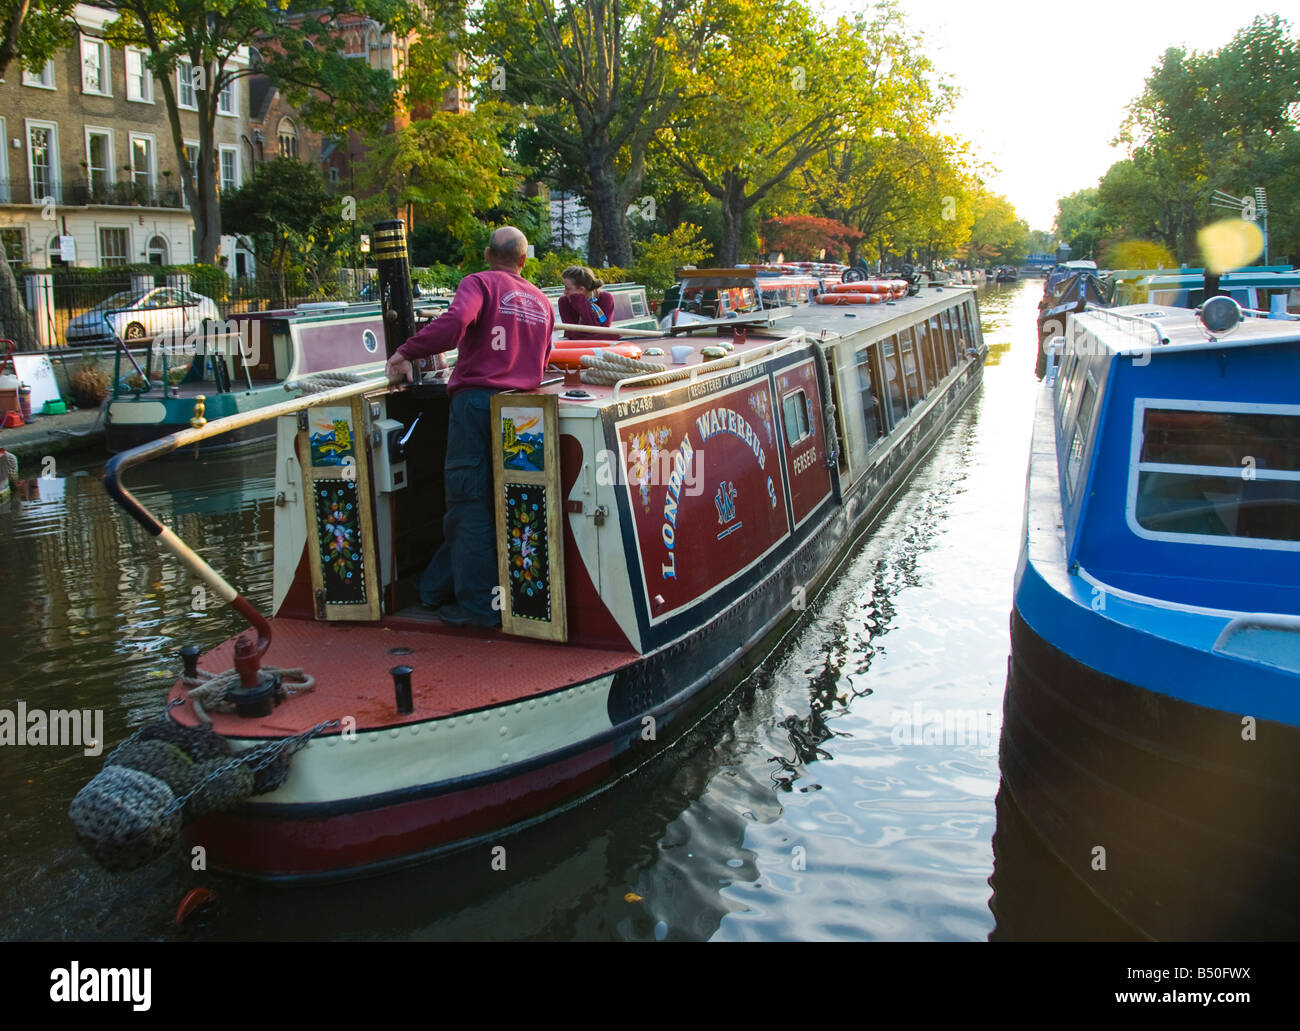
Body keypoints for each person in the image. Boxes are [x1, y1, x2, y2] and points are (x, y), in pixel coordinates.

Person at [385, 226, 554, 627]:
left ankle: (478, 609)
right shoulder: (542, 301)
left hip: (476, 404)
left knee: (469, 503)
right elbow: (543, 360)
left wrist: (406, 352)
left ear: (486, 253)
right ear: (524, 261)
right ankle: (435, 590)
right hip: (522, 413)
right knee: (512, 503)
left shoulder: (478, 282)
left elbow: (457, 321)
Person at [556, 265, 618, 340]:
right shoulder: (564, 301)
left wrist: (581, 304)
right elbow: (571, 333)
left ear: (581, 289)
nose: (564, 292)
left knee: (614, 334)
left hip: (598, 344)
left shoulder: (606, 298)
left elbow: (602, 331)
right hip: (576, 345)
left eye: (567, 289)